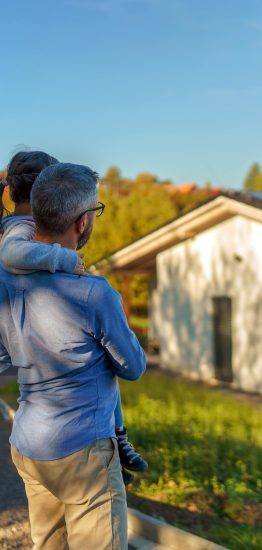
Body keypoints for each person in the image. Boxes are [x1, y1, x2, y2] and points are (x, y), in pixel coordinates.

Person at [0, 162, 146, 549]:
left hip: (29, 445)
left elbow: (2, 360)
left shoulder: (4, 278)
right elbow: (133, 367)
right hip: (83, 455)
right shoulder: (94, 293)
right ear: (82, 223)